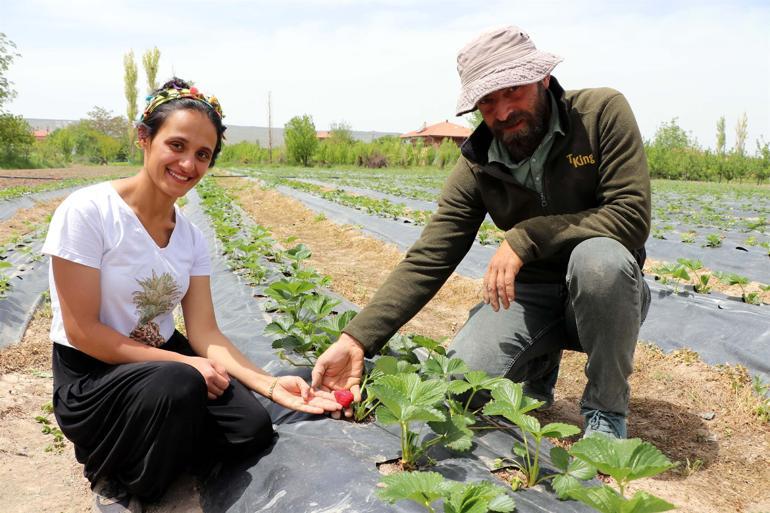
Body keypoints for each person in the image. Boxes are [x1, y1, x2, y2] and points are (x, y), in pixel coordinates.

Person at [312, 26, 651, 440]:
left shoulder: (600, 113)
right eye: (488, 100)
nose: (503, 111)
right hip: (530, 296)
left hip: (606, 292)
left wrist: (526, 237)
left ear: (543, 77)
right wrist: (357, 338)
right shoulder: (477, 161)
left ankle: (605, 411)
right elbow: (430, 255)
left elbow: (631, 216)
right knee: (460, 389)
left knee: (600, 261)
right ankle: (538, 363)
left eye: (514, 91)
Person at [44, 78, 342, 513]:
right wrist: (185, 363)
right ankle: (116, 473)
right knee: (180, 383)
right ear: (144, 138)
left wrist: (271, 385)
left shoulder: (190, 238)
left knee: (253, 428)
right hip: (94, 377)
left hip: (164, 366)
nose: (188, 164)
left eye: (203, 154)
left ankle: (164, 439)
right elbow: (83, 331)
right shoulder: (89, 212)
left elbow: (204, 330)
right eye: (177, 145)